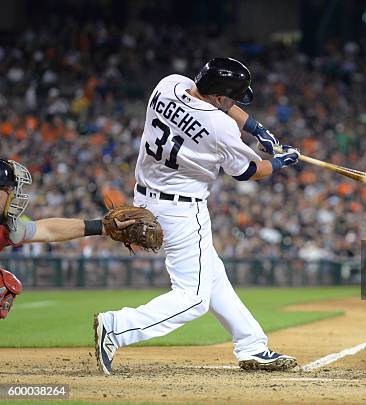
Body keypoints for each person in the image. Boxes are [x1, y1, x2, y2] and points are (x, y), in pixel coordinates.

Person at [94, 57, 300, 375]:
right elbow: (249, 171)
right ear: (219, 97)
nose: (234, 104)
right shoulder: (219, 127)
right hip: (181, 210)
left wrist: (258, 130)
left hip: (146, 198)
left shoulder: (169, 83)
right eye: (231, 98)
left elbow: (217, 102)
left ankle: (252, 345)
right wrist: (281, 161)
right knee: (193, 297)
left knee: (212, 275)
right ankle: (118, 326)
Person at [0, 159, 134, 250]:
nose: (13, 196)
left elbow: (49, 230)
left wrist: (102, 227)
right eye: (8, 190)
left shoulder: (4, 228)